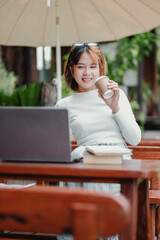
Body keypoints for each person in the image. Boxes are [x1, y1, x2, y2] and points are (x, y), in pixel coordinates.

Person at [55, 43, 141, 240]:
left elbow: (134, 139)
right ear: (71, 69)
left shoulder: (117, 96)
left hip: (118, 162)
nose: (87, 72)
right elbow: (57, 149)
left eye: (92, 66)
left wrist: (115, 107)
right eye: (81, 66)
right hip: (86, 162)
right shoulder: (64, 104)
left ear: (101, 69)